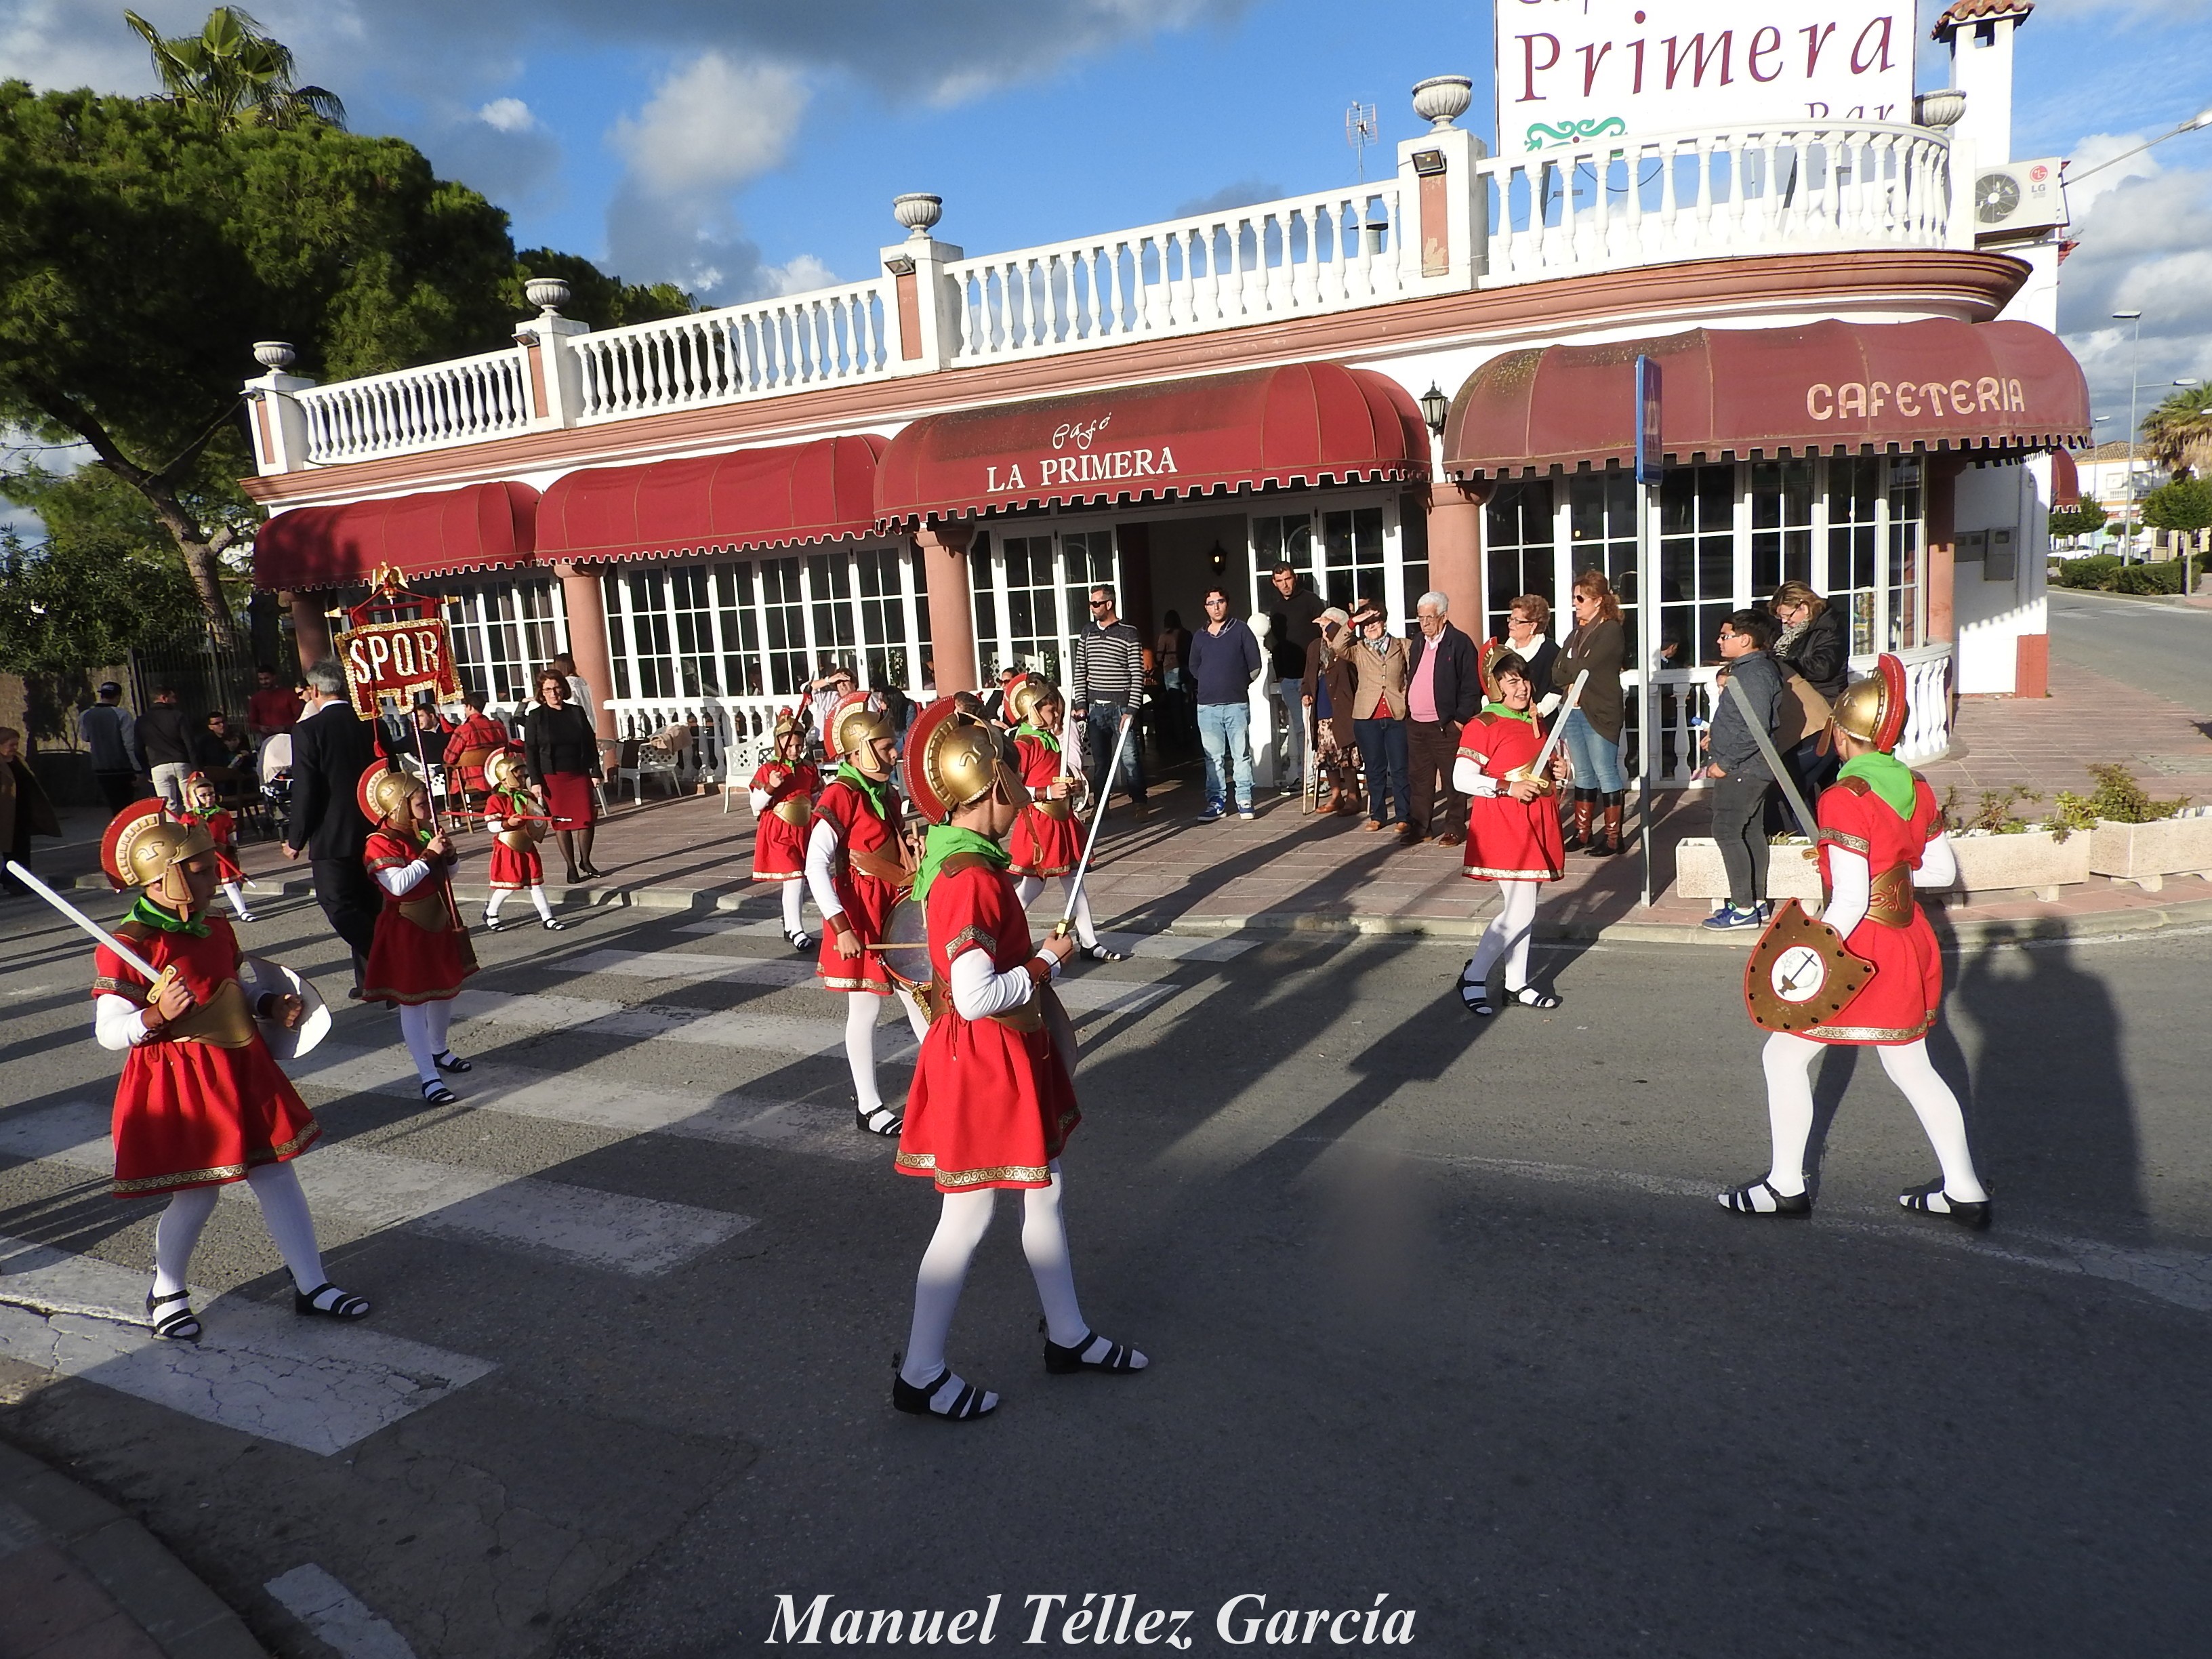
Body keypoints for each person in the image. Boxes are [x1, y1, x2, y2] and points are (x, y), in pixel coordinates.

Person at [890, 700, 1147, 1422]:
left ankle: (1067, 1334)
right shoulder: (969, 877)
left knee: (1042, 1190)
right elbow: (975, 996)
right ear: (991, 787)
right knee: (967, 1217)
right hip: (986, 1057)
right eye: (1015, 783)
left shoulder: (962, 859)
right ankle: (921, 1373)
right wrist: (1047, 961)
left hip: (999, 1051)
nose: (1026, 798)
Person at [1718, 655, 1991, 1228]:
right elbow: (1941, 872)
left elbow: (1848, 900)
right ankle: (1964, 1190)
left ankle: (1785, 1186)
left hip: (1860, 947)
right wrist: (1889, 869)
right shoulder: (1915, 786)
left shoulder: (1845, 796)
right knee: (1914, 1068)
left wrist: (1809, 957)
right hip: (1907, 937)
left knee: (1782, 1056)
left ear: (1842, 734)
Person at [89, 798, 368, 1341]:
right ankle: (167, 1291)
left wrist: (268, 1005)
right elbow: (109, 1032)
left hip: (240, 1062)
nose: (215, 877)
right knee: (198, 1191)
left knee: (276, 1172)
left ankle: (312, 1284)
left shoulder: (214, 925)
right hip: (181, 1076)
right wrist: (154, 1016)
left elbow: (232, 986)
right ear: (165, 877)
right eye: (200, 870)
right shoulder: (131, 945)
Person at [806, 692, 930, 1137]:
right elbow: (814, 864)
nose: (895, 753)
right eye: (886, 746)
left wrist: (908, 847)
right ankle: (870, 1105)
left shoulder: (885, 792)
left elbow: (882, 844)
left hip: (894, 904)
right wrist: (840, 925)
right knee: (866, 1008)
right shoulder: (841, 794)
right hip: (861, 912)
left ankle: (947, 1085)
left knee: (920, 996)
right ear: (858, 750)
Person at [1452, 647, 1568, 1015]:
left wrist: (1561, 770)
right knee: (1520, 910)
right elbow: (1461, 778)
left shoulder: (1535, 722)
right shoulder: (1483, 724)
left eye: (1525, 680)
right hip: (1504, 824)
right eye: (1512, 681)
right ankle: (1474, 976)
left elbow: (1545, 767)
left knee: (1524, 910)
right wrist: (1507, 787)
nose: (1522, 688)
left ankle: (1516, 984)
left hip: (1537, 822)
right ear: (1496, 686)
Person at [359, 761, 478, 1104]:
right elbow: (398, 886)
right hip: (406, 928)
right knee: (413, 1002)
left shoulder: (423, 832)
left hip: (439, 921)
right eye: (421, 803)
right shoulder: (379, 842)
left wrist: (449, 856)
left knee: (446, 990)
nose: (429, 808)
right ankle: (428, 1077)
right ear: (399, 805)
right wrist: (429, 856)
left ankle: (439, 1050)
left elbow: (447, 876)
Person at [1004, 676, 1123, 962]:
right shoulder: (1024, 744)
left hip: (1061, 820)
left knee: (1073, 880)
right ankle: (1003, 937)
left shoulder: (1050, 740)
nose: (1056, 715)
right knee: (1034, 886)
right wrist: (1045, 791)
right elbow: (1011, 787)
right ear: (1032, 710)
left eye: (1055, 709)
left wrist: (1072, 784)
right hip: (1039, 824)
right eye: (1049, 710)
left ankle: (1090, 942)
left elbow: (1054, 774)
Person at [284, 661, 385, 991]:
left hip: (332, 832)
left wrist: (295, 839)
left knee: (338, 904)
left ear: (315, 690)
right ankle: (373, 982)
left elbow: (306, 789)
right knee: (369, 904)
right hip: (375, 824)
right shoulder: (372, 723)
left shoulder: (308, 730)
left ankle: (388, 962)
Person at [1700, 609, 1786, 931]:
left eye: (1726, 636)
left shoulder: (1754, 673)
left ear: (1746, 639)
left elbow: (1755, 727)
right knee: (1749, 830)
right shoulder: (1749, 669)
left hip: (1744, 768)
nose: (1719, 641)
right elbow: (1741, 719)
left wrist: (1725, 763)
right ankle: (1755, 901)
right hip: (1747, 766)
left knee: (1726, 830)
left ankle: (1743, 907)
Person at [1555, 571, 1629, 856]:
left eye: (1580, 598)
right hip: (1573, 709)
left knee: (1605, 770)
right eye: (1574, 597)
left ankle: (1613, 837)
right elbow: (1557, 671)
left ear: (1598, 600)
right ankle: (1582, 832)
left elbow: (1586, 667)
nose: (1575, 603)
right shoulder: (1576, 633)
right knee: (1583, 772)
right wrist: (1572, 669)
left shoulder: (1610, 630)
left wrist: (1572, 668)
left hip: (1600, 709)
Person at [1403, 590, 1481, 848]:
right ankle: (1421, 827)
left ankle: (1455, 827)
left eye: (1430, 617)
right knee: (1420, 780)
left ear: (1444, 617)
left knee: (1452, 780)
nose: (1424, 623)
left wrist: (1459, 720)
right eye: (1421, 618)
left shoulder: (1459, 642)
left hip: (1445, 726)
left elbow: (1472, 686)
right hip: (1417, 724)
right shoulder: (1418, 642)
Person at [1069, 586, 1148, 817]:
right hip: (1095, 707)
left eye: (1096, 603)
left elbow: (1137, 673)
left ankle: (1140, 803)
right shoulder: (1088, 632)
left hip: (1121, 706)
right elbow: (1080, 669)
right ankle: (1101, 807)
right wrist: (1081, 704)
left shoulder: (1129, 633)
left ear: (1109, 604)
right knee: (1101, 762)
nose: (1092, 608)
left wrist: (1131, 709)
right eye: (1091, 603)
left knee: (1130, 758)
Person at [1771, 580, 1849, 806]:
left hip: (1824, 706)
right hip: (1808, 704)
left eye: (1787, 616)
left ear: (1804, 606)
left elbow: (1823, 667)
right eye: (1781, 617)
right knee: (1820, 777)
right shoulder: (1801, 629)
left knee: (1803, 778)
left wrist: (1785, 664)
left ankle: (1819, 820)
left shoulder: (1829, 628)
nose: (1785, 622)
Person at [1187, 586, 1261, 822]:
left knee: (1241, 754)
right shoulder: (1199, 636)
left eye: (1220, 601)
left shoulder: (1241, 630)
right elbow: (1194, 666)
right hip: (1207, 706)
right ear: (1205, 607)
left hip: (1236, 704)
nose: (1216, 607)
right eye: (1211, 603)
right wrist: (1210, 681)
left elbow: (1255, 665)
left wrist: (1237, 683)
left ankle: (1244, 799)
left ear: (1227, 603)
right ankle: (1216, 801)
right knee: (1213, 757)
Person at [747, 712, 820, 951]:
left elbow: (816, 797)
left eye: (798, 745)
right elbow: (756, 806)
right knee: (795, 878)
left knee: (796, 879)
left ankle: (790, 925)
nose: (794, 751)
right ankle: (798, 931)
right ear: (779, 744)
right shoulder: (768, 770)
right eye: (789, 746)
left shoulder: (809, 769)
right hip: (779, 830)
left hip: (804, 829)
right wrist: (770, 787)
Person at [523, 669, 604, 883]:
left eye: (557, 688)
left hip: (578, 773)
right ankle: (571, 867)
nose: (554, 693)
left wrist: (596, 771)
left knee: (586, 819)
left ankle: (585, 861)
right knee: (562, 823)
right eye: (548, 689)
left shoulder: (576, 712)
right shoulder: (536, 717)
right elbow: (531, 751)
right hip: (553, 777)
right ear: (542, 692)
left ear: (564, 689)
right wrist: (536, 781)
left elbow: (590, 743)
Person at [480, 747, 563, 933]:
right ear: (505, 778)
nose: (522, 780)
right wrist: (507, 823)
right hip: (508, 846)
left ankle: (548, 918)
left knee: (536, 883)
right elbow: (492, 826)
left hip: (526, 843)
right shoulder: (496, 800)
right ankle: (491, 913)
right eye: (518, 777)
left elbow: (536, 816)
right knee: (509, 885)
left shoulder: (526, 796)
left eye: (523, 776)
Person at [1260, 564, 1326, 796]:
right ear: (1274, 583)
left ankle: (1320, 776)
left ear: (1294, 578)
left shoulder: (1311, 601)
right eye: (1280, 581)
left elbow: (1324, 635)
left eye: (1288, 579)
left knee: (1315, 727)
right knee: (1299, 729)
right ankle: (1305, 776)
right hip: (1288, 678)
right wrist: (1280, 673)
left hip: (1312, 676)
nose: (1285, 584)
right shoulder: (1276, 609)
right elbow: (1276, 643)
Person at [1347, 602, 1412, 836]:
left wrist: (1406, 694)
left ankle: (1404, 816)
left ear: (1383, 622)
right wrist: (1354, 621)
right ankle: (1377, 816)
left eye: (1373, 622)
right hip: (1367, 717)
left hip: (1396, 715)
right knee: (1374, 769)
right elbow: (1337, 645)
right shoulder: (1358, 649)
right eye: (1365, 625)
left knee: (1400, 768)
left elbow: (1415, 671)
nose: (1370, 627)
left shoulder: (1402, 645)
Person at [1302, 607, 1361, 816]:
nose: (1324, 629)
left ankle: (1353, 796)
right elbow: (1308, 675)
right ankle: (1336, 795)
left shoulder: (1349, 646)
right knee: (1327, 756)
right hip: (1322, 708)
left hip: (1343, 708)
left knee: (1346, 755)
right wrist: (1306, 692)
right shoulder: (1315, 646)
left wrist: (1336, 632)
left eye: (1328, 624)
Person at [173, 770, 253, 924]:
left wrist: (232, 847)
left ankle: (243, 911)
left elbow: (230, 832)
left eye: (211, 794)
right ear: (194, 798)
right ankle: (199, 913)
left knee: (230, 884)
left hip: (222, 853)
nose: (208, 798)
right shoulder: (190, 817)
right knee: (202, 886)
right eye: (203, 795)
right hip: (202, 856)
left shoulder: (222, 814)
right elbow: (184, 838)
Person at [1, 727, 61, 895]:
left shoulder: (18, 760)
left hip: (23, 810)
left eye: (16, 744)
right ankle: (13, 880)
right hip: (6, 813)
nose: (15, 748)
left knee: (23, 848)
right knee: (11, 850)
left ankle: (20, 881)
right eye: (11, 745)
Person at [79, 682, 141, 815]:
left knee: (113, 803)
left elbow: (85, 737)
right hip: (122, 768)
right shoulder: (122, 715)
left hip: (100, 766)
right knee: (127, 805)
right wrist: (137, 769)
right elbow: (129, 744)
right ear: (118, 696)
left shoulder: (86, 715)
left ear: (102, 695)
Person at [443, 691, 510, 802]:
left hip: (471, 780)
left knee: (448, 770)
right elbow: (506, 751)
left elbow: (449, 758)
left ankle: (456, 808)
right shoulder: (499, 727)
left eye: (465, 707)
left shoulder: (463, 730)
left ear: (469, 707)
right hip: (496, 777)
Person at [134, 686, 194, 811]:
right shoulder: (178, 716)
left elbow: (138, 749)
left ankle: (171, 824)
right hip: (181, 762)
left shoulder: (142, 720)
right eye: (172, 697)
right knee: (190, 801)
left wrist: (146, 770)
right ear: (164, 698)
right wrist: (196, 767)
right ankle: (193, 823)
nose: (175, 701)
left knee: (168, 806)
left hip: (158, 765)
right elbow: (190, 743)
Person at [1502, 595, 1561, 718]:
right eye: (1510, 619)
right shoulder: (1503, 650)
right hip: (1505, 719)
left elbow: (1557, 690)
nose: (1510, 625)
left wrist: (1538, 712)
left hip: (1538, 721)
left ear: (1533, 626)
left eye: (1517, 621)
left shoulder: (1550, 651)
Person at [1154, 609, 1195, 750]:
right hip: (1186, 670)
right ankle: (1190, 735)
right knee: (1187, 704)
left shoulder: (1165, 636)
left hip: (1171, 670)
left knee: (1175, 707)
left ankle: (1179, 738)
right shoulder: (1187, 634)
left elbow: (1159, 657)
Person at [246, 667, 303, 745]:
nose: (264, 682)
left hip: (290, 738)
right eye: (261, 679)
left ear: (274, 677)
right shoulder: (255, 699)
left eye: (266, 678)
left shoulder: (289, 695)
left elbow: (300, 717)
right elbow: (252, 722)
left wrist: (285, 727)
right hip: (268, 741)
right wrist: (261, 728)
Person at [550, 652, 594, 718]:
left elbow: (571, 704)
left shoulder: (567, 683)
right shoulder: (583, 681)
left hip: (576, 720)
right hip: (589, 719)